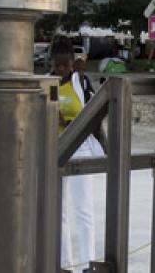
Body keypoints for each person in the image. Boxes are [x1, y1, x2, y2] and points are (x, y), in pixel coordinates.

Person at [51, 38, 104, 273]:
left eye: (65, 65)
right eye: (57, 65)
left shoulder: (81, 82)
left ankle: (86, 263)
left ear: (73, 62)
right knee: (57, 210)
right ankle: (63, 264)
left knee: (82, 209)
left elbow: (95, 114)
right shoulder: (47, 82)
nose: (61, 69)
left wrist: (69, 121)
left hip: (80, 147)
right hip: (55, 148)